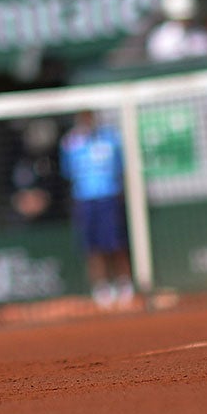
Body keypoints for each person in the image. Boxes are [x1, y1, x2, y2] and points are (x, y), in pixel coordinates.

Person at [62, 110, 134, 307]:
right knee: (92, 248)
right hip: (85, 200)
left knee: (116, 243)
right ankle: (101, 289)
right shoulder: (70, 143)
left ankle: (125, 285)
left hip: (109, 197)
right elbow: (67, 172)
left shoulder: (111, 139)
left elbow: (121, 168)